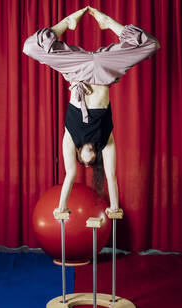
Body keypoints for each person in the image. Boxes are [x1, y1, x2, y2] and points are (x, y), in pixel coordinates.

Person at [23, 6, 160, 217]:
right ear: (96, 155)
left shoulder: (71, 138)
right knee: (151, 45)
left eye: (83, 161)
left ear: (79, 154)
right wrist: (114, 206)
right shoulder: (105, 139)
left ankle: (69, 23)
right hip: (105, 70)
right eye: (92, 161)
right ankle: (105, 24)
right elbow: (111, 175)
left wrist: (61, 207)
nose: (88, 160)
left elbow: (70, 175)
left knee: (30, 47)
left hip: (77, 69)